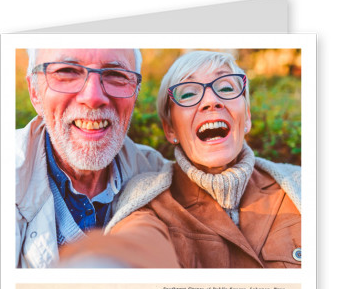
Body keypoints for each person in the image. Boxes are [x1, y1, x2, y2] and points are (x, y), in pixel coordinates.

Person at [59, 50, 301, 268]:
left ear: (246, 116)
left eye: (226, 88)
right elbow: (138, 242)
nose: (211, 101)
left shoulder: (300, 185)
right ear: (170, 129)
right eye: (188, 93)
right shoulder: (149, 201)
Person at [16, 48, 170, 268]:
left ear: (135, 93)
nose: (93, 97)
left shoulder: (158, 176)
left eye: (116, 75)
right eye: (67, 71)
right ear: (34, 92)